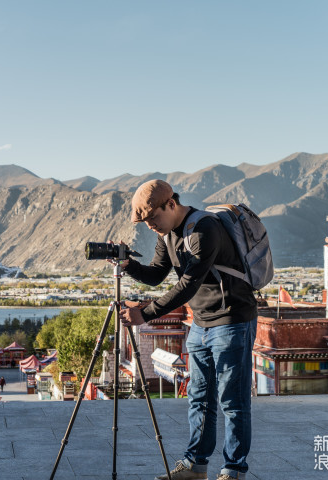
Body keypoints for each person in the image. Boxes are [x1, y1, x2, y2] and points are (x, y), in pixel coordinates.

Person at [118, 180, 257, 480]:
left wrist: (144, 314)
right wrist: (127, 264)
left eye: (153, 218)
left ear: (171, 204)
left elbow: (187, 285)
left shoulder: (204, 229)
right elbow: (156, 275)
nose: (152, 226)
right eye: (146, 223)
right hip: (201, 323)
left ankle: (233, 471)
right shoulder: (167, 235)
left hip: (232, 320)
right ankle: (195, 466)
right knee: (200, 398)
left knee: (233, 402)